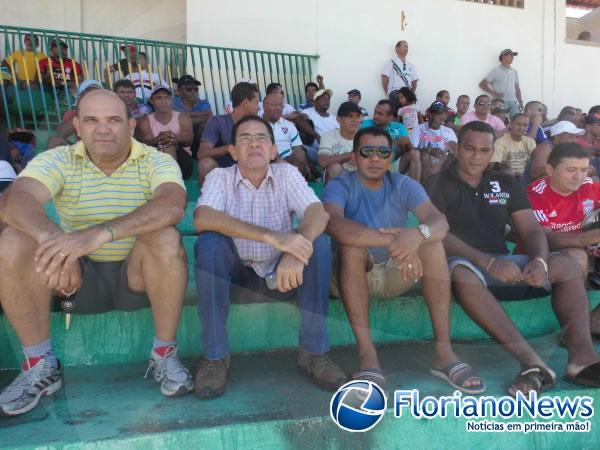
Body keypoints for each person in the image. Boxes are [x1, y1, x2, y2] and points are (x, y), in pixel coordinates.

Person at [0, 89, 193, 416]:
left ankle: (164, 354)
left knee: (165, 236)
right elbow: (14, 201)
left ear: (131, 126)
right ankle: (40, 365)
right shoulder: (57, 159)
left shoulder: (155, 160)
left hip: (136, 278)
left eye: (114, 120)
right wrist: (59, 244)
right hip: (75, 282)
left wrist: (99, 234)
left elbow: (173, 204)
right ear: (77, 125)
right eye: (92, 120)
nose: (103, 129)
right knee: (13, 240)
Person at [424, 121, 600, 396]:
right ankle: (533, 365)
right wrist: (488, 262)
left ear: (493, 151)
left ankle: (583, 358)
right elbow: (439, 234)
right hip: (463, 263)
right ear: (456, 148)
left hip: (504, 262)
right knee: (461, 274)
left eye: (484, 150)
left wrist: (540, 261)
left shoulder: (505, 182)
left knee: (564, 265)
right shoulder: (436, 183)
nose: (476, 156)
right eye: (469, 148)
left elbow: (530, 228)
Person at [193, 115, 347, 398]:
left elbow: (317, 212)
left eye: (261, 138)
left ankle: (314, 353)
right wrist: (273, 237)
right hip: (236, 278)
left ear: (274, 151)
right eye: (245, 139)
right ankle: (215, 358)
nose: (254, 144)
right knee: (209, 244)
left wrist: (297, 250)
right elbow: (202, 217)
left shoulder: (287, 173)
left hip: (282, 276)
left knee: (319, 244)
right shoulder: (219, 177)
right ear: (233, 151)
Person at [322, 126, 484, 394]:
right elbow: (336, 227)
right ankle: (368, 357)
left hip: (393, 273)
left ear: (391, 158)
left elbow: (439, 223)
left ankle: (444, 355)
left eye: (383, 153)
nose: (375, 159)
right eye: (367, 152)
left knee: (432, 245)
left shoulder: (404, 184)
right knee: (352, 247)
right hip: (348, 276)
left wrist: (419, 235)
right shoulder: (341, 184)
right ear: (354, 156)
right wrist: (398, 241)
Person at [526, 143, 600, 309]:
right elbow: (547, 239)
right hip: (543, 257)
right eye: (571, 170)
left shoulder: (588, 185)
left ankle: (595, 319)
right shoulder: (536, 194)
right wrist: (585, 239)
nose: (578, 177)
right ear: (551, 170)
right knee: (577, 256)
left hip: (586, 245)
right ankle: (581, 318)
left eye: (584, 169)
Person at [197, 81, 260, 185]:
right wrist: (229, 148)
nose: (259, 107)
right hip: (224, 174)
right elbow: (202, 153)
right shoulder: (217, 122)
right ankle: (210, 200)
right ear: (246, 103)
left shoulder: (258, 125)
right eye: (257, 102)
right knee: (205, 164)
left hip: (250, 171)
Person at [135, 84, 194, 179]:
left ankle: (170, 179)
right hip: (155, 160)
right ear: (152, 101)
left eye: (167, 98)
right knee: (165, 145)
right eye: (159, 98)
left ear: (171, 100)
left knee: (169, 145)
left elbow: (189, 140)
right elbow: (146, 145)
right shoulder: (145, 121)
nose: (164, 101)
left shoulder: (182, 117)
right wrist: (158, 139)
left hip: (183, 163)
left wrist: (173, 138)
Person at [362, 100, 421, 181]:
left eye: (380, 114)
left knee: (415, 153)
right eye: (375, 112)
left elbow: (410, 149)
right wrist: (395, 142)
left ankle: (414, 189)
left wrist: (407, 142)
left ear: (390, 117)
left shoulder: (399, 127)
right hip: (373, 163)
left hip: (393, 164)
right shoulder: (365, 125)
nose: (375, 116)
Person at [262, 93, 310, 178]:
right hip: (268, 161)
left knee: (299, 153)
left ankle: (298, 185)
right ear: (264, 106)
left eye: (281, 105)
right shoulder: (256, 125)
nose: (278, 108)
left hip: (290, 159)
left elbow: (298, 147)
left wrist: (305, 165)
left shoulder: (288, 125)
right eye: (275, 104)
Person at [45, 79, 103, 149]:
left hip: (102, 147)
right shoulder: (72, 114)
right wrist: (81, 110)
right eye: (89, 93)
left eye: (96, 93)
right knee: (54, 141)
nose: (93, 97)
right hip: (82, 149)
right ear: (81, 96)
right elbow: (61, 133)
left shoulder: (108, 111)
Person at [318, 101, 362, 180]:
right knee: (335, 167)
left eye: (357, 116)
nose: (354, 120)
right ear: (338, 119)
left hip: (360, 178)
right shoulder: (328, 136)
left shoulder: (365, 137)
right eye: (350, 116)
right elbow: (323, 161)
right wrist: (350, 155)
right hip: (338, 179)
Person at [296, 89, 339, 163]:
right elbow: (299, 120)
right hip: (318, 151)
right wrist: (317, 136)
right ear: (315, 101)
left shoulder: (334, 118)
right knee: (299, 150)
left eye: (328, 99)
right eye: (323, 98)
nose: (327, 101)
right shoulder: (309, 112)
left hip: (336, 149)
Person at [490, 113, 536, 181]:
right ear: (510, 124)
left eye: (525, 125)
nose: (521, 128)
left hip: (527, 176)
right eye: (518, 124)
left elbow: (535, 162)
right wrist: (514, 174)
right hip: (507, 177)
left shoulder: (530, 142)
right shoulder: (500, 141)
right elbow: (494, 165)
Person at [418, 101, 458, 179]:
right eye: (433, 112)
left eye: (439, 113)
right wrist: (429, 151)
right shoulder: (418, 129)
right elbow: (412, 149)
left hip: (443, 162)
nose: (435, 116)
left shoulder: (449, 132)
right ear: (428, 113)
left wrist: (446, 154)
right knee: (426, 157)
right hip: (424, 162)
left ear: (445, 116)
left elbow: (453, 150)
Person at [479, 49, 523, 118]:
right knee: (500, 123)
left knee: (516, 121)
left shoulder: (514, 71)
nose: (512, 57)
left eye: (513, 56)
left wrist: (520, 102)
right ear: (503, 56)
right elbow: (482, 84)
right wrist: (494, 93)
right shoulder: (496, 70)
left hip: (513, 102)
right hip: (500, 103)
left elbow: (517, 88)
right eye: (510, 55)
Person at [381, 40, 419, 114]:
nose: (406, 48)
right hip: (396, 92)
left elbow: (414, 81)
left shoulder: (411, 65)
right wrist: (388, 92)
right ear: (397, 49)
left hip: (407, 94)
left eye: (407, 47)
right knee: (396, 115)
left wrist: (412, 93)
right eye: (404, 46)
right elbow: (384, 77)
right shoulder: (392, 63)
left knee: (410, 116)